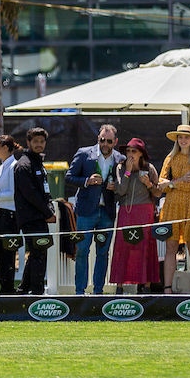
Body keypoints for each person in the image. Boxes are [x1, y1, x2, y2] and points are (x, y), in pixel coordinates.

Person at [65, 124, 123, 295]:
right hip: (86, 211)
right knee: (82, 250)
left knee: (103, 252)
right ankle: (79, 292)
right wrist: (87, 181)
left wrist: (117, 186)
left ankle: (98, 291)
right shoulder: (84, 153)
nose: (105, 144)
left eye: (109, 141)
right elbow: (69, 176)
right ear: (98, 139)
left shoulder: (120, 158)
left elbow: (125, 182)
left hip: (107, 211)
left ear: (115, 142)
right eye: (102, 140)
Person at [156, 124, 190, 295]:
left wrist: (171, 183)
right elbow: (160, 185)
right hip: (171, 205)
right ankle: (167, 289)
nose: (183, 140)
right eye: (180, 137)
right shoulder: (170, 158)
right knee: (170, 246)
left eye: (186, 137)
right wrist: (180, 180)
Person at [108, 137, 161, 294]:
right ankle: (119, 286)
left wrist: (148, 184)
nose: (130, 154)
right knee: (123, 246)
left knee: (145, 247)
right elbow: (121, 190)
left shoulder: (149, 168)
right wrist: (128, 172)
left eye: (134, 151)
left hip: (145, 211)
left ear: (141, 154)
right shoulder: (120, 167)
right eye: (128, 151)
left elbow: (158, 192)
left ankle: (145, 286)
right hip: (127, 211)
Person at [14, 127, 55, 295]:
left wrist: (50, 208)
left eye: (42, 141)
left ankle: (24, 289)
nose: (39, 144)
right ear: (28, 142)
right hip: (31, 217)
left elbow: (44, 191)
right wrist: (48, 213)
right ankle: (37, 292)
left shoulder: (38, 162)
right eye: (35, 141)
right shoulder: (24, 165)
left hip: (40, 216)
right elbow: (30, 194)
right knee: (39, 254)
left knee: (36, 253)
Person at [0, 134, 22, 295]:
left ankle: (7, 289)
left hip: (10, 214)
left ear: (6, 148)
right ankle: (6, 287)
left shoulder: (13, 166)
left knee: (8, 253)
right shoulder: (3, 165)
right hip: (1, 212)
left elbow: (14, 193)